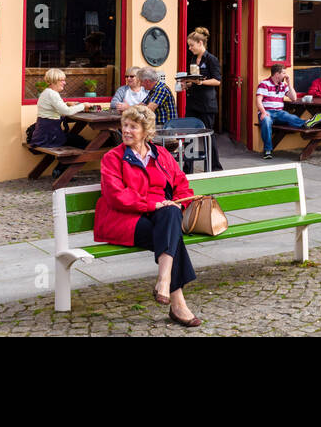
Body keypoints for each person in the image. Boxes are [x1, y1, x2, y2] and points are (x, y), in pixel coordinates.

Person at [94, 105, 202, 327]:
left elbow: (182, 186)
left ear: (146, 131)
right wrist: (153, 204)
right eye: (124, 125)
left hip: (162, 215)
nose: (126, 130)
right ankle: (177, 300)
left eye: (133, 126)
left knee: (171, 212)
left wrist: (177, 204)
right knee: (171, 234)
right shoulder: (112, 158)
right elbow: (116, 196)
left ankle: (165, 281)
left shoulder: (161, 155)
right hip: (124, 219)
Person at [257, 64, 321, 158]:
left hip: (279, 113)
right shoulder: (264, 84)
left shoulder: (283, 85)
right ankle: (268, 150)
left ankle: (306, 123)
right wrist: (263, 112)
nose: (286, 75)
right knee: (266, 121)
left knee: (290, 117)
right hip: (267, 112)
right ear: (277, 74)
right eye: (284, 73)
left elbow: (294, 98)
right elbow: (258, 100)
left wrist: (289, 83)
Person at [184, 31, 224, 170]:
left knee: (208, 135)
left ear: (200, 43)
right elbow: (194, 79)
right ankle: (188, 167)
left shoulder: (211, 59)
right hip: (192, 102)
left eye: (191, 45)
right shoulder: (193, 60)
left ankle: (215, 167)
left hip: (207, 104)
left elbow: (217, 81)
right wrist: (187, 83)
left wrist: (201, 83)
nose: (190, 48)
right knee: (189, 134)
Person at [32, 68, 87, 151]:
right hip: (49, 137)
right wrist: (83, 105)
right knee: (82, 143)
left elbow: (53, 108)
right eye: (62, 80)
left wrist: (66, 104)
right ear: (54, 81)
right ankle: (66, 164)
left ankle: (66, 163)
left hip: (42, 135)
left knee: (77, 141)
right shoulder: (52, 94)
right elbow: (66, 112)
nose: (64, 83)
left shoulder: (46, 92)